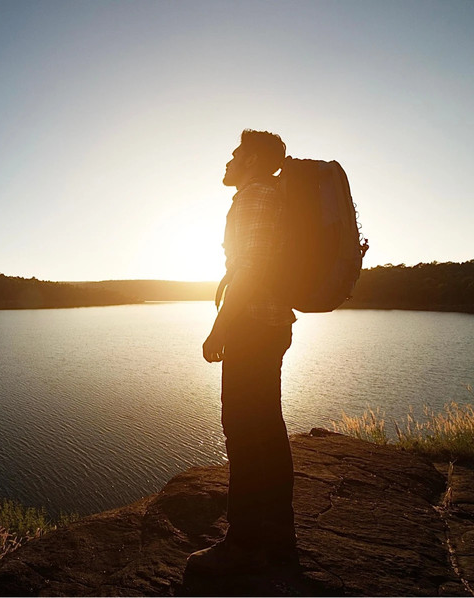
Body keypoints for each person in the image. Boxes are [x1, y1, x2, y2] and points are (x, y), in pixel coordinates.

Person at [186, 129, 298, 576]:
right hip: (266, 324)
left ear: (252, 161)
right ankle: (277, 535)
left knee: (244, 429)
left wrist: (220, 329)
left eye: (236, 154)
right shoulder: (267, 195)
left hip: (253, 325)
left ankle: (244, 543)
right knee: (265, 427)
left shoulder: (255, 196)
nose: (229, 161)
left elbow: (250, 268)